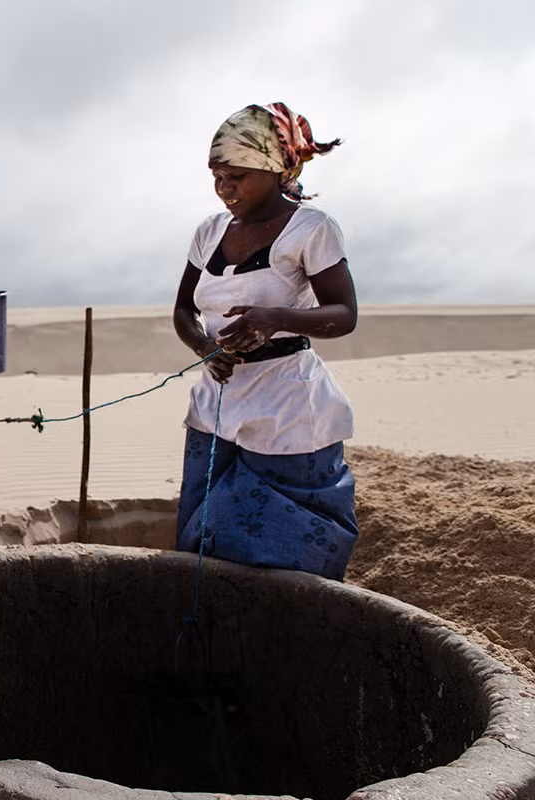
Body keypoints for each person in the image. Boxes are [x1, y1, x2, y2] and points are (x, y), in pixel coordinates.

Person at [172, 103, 359, 581]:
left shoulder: (311, 229)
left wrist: (274, 318)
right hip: (215, 406)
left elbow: (344, 314)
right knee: (204, 541)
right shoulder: (209, 232)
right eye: (216, 176)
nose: (223, 188)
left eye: (236, 176)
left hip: (288, 411)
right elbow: (183, 311)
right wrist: (205, 349)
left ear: (275, 171)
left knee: (282, 555)